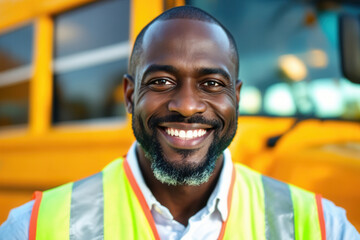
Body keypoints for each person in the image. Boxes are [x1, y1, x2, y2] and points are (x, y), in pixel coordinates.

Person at [0, 6, 359, 240]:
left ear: (236, 96)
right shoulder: (33, 228)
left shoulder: (323, 226)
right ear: (129, 95)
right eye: (161, 82)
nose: (187, 106)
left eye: (212, 84)